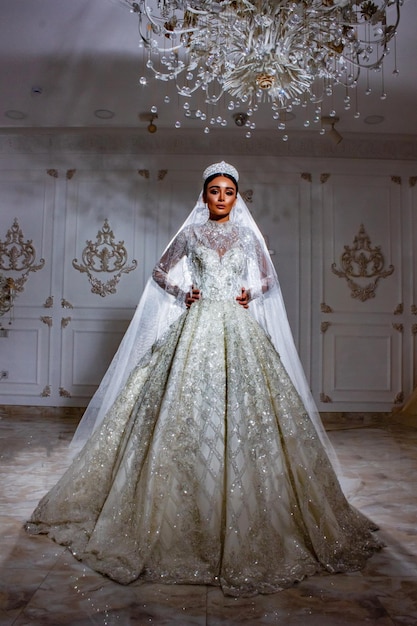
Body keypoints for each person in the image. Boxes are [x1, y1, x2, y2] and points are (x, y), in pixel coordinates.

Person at [26, 162, 381, 597]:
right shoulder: (190, 235)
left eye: (228, 192)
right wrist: (181, 292)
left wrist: (251, 292)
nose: (221, 197)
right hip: (194, 326)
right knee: (181, 407)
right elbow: (159, 271)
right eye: (214, 191)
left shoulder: (248, 236)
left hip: (237, 325)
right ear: (205, 195)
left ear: (237, 196)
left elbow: (269, 277)